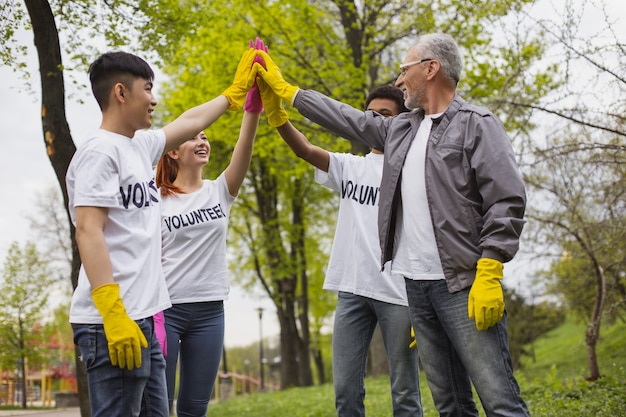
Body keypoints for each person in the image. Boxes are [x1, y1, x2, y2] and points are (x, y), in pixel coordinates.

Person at [254, 33, 530, 417]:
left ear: (431, 68)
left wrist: (490, 266)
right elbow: (345, 118)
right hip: (416, 289)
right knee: (450, 403)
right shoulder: (401, 130)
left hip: (463, 285)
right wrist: (290, 93)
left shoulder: (476, 124)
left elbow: (507, 198)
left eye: (405, 70)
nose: (399, 81)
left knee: (499, 399)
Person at [66, 45, 258, 417]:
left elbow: (189, 121)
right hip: (113, 323)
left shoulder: (138, 146)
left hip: (145, 316)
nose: (154, 99)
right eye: (148, 89)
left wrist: (233, 95)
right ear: (121, 93)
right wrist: (113, 313)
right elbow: (88, 230)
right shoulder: (99, 152)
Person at [266, 84, 421, 417]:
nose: (375, 120)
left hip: (399, 294)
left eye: (385, 115)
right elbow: (306, 150)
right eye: (370, 114)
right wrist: (278, 118)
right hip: (351, 291)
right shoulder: (350, 166)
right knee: (346, 392)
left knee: (405, 393)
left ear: (400, 122)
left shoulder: (413, 170)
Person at [156, 87, 261, 415]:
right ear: (172, 151)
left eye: (205, 137)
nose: (203, 142)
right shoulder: (155, 198)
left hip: (210, 312)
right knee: (158, 403)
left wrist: (252, 109)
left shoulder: (220, 191)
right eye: (193, 138)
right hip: (166, 310)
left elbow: (244, 149)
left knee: (194, 406)